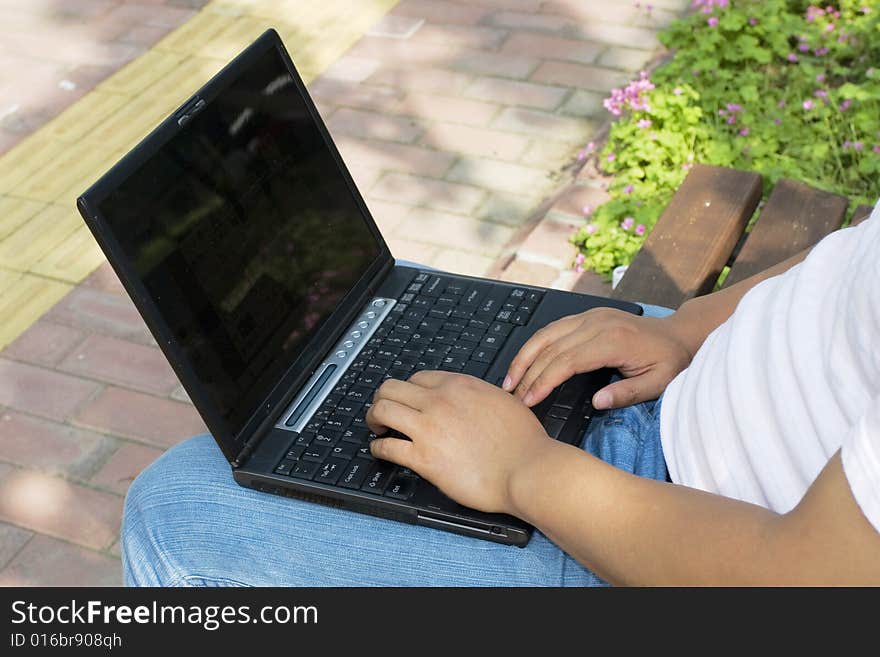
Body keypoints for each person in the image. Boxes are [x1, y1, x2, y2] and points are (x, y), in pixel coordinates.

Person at [121, 205, 880, 586]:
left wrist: (521, 468)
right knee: (380, 306)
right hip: (696, 382)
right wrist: (687, 330)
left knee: (173, 507)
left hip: (683, 529)